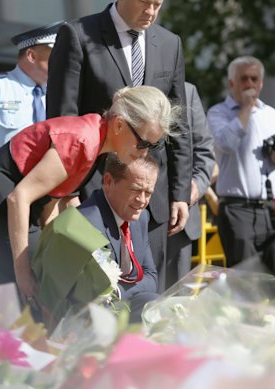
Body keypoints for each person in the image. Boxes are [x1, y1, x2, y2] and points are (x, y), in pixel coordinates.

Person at [0, 85, 179, 301]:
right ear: (119, 125)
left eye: (153, 146)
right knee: (27, 294)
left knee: (46, 283)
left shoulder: (95, 141)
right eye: (143, 143)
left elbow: (51, 199)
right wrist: (23, 273)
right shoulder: (82, 140)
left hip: (5, 207)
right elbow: (19, 197)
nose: (144, 153)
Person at [47, 0, 192, 292]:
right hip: (94, 193)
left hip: (153, 201)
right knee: (95, 296)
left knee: (148, 295)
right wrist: (69, 193)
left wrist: (180, 194)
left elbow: (179, 125)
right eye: (144, 2)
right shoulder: (78, 36)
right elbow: (62, 123)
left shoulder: (169, 43)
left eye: (158, 4)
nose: (151, 12)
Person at [207, 56, 275, 285]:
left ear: (261, 84)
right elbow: (225, 143)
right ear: (231, 83)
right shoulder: (218, 113)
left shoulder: (271, 114)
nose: (249, 84)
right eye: (243, 79)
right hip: (237, 210)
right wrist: (245, 109)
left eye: (254, 79)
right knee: (245, 284)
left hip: (272, 209)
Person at [0, 21, 63, 171]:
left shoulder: (58, 93)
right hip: (3, 188)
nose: (61, 60)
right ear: (32, 56)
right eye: (55, 54)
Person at [78, 154, 160, 321]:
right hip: (88, 318)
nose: (142, 201)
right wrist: (117, 293)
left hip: (120, 306)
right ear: (108, 181)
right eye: (135, 189)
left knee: (157, 305)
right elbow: (98, 294)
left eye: (148, 192)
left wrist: (119, 292)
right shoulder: (87, 223)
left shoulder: (141, 217)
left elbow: (151, 276)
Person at [166, 82, 215, 282]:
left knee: (175, 301)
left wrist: (196, 185)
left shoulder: (188, 91)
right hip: (136, 215)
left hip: (180, 219)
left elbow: (204, 149)